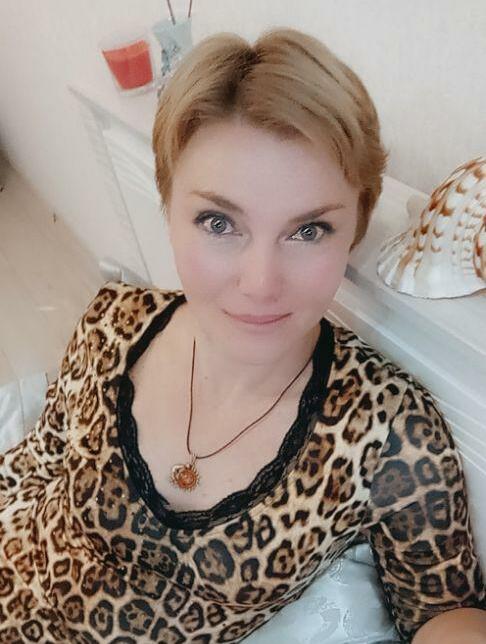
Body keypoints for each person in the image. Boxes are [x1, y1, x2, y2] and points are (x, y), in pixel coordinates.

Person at [0, 26, 485, 644]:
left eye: (308, 231)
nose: (260, 284)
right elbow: (34, 469)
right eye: (217, 221)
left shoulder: (388, 432)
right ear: (169, 211)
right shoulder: (110, 322)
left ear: (355, 230)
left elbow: (440, 611)